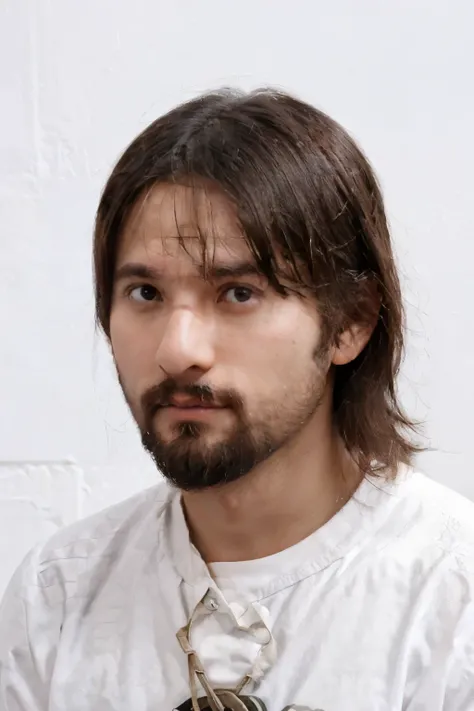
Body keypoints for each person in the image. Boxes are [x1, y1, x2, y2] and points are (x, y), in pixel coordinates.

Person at [1, 88, 473, 711]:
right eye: (144, 293)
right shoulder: (57, 596)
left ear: (350, 323)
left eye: (237, 293)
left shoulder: (451, 598)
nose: (178, 349)